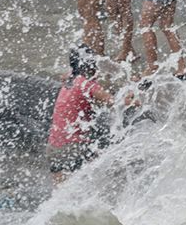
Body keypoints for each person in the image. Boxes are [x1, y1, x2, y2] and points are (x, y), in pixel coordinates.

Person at [46, 45, 135, 184]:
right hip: (74, 146)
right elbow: (116, 103)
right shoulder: (87, 85)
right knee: (106, 168)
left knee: (61, 190)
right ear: (89, 65)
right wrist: (131, 99)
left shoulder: (69, 80)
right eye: (94, 64)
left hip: (54, 146)